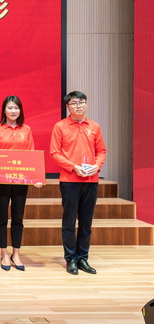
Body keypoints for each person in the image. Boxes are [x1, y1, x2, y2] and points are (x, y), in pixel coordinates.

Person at [50, 91, 106, 275]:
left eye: (82, 102)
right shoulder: (60, 126)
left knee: (86, 222)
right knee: (69, 222)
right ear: (68, 107)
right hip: (70, 180)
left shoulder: (94, 126)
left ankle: (83, 258)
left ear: (86, 105)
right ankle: (71, 259)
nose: (79, 106)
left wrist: (97, 166)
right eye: (74, 103)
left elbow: (101, 151)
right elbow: (54, 153)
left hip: (91, 180)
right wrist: (73, 167)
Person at [0, 95, 43, 271]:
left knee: (18, 218)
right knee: (1, 217)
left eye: (16, 108)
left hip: (20, 180)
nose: (13, 111)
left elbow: (31, 154)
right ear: (4, 110)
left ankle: (16, 253)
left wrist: (36, 177)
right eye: (10, 108)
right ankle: (4, 253)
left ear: (20, 110)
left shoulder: (26, 129)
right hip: (1, 181)